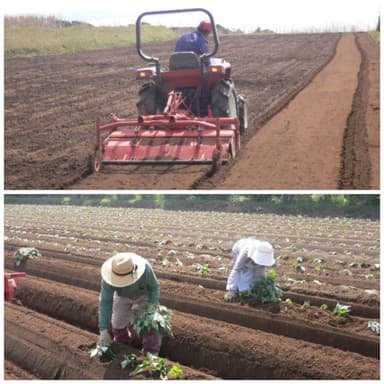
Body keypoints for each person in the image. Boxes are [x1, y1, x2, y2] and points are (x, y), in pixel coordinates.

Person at [97, 252, 161, 354]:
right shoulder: (108, 280)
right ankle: (122, 344)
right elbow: (105, 302)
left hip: (144, 294)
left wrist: (151, 308)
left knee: (148, 322)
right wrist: (103, 329)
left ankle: (151, 350)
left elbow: (154, 288)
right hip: (122, 295)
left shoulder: (146, 270)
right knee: (117, 322)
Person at [224, 238, 275, 302]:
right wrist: (231, 290)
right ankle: (236, 289)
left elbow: (260, 275)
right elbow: (236, 270)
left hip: (252, 252)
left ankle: (251, 289)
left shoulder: (264, 255)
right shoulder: (245, 253)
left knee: (256, 275)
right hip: (238, 248)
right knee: (244, 278)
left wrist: (263, 287)